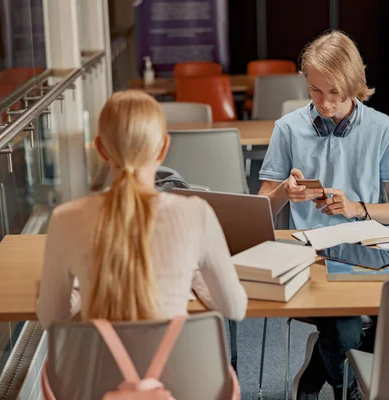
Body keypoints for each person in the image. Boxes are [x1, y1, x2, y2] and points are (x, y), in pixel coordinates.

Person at [258, 30, 389, 399]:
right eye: (315, 90)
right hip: (310, 257)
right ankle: (353, 389)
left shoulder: (381, 129)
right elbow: (263, 206)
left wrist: (357, 208)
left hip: (368, 251)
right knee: (345, 332)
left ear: (354, 86)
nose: (324, 103)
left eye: (335, 93)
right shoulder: (288, 128)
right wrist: (285, 190)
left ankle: (317, 368)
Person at [37, 90, 247, 329]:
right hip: (175, 366)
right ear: (164, 147)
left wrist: (83, 286)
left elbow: (51, 318)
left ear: (100, 149)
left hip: (98, 366)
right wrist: (194, 275)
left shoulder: (65, 219)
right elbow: (235, 308)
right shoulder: (197, 215)